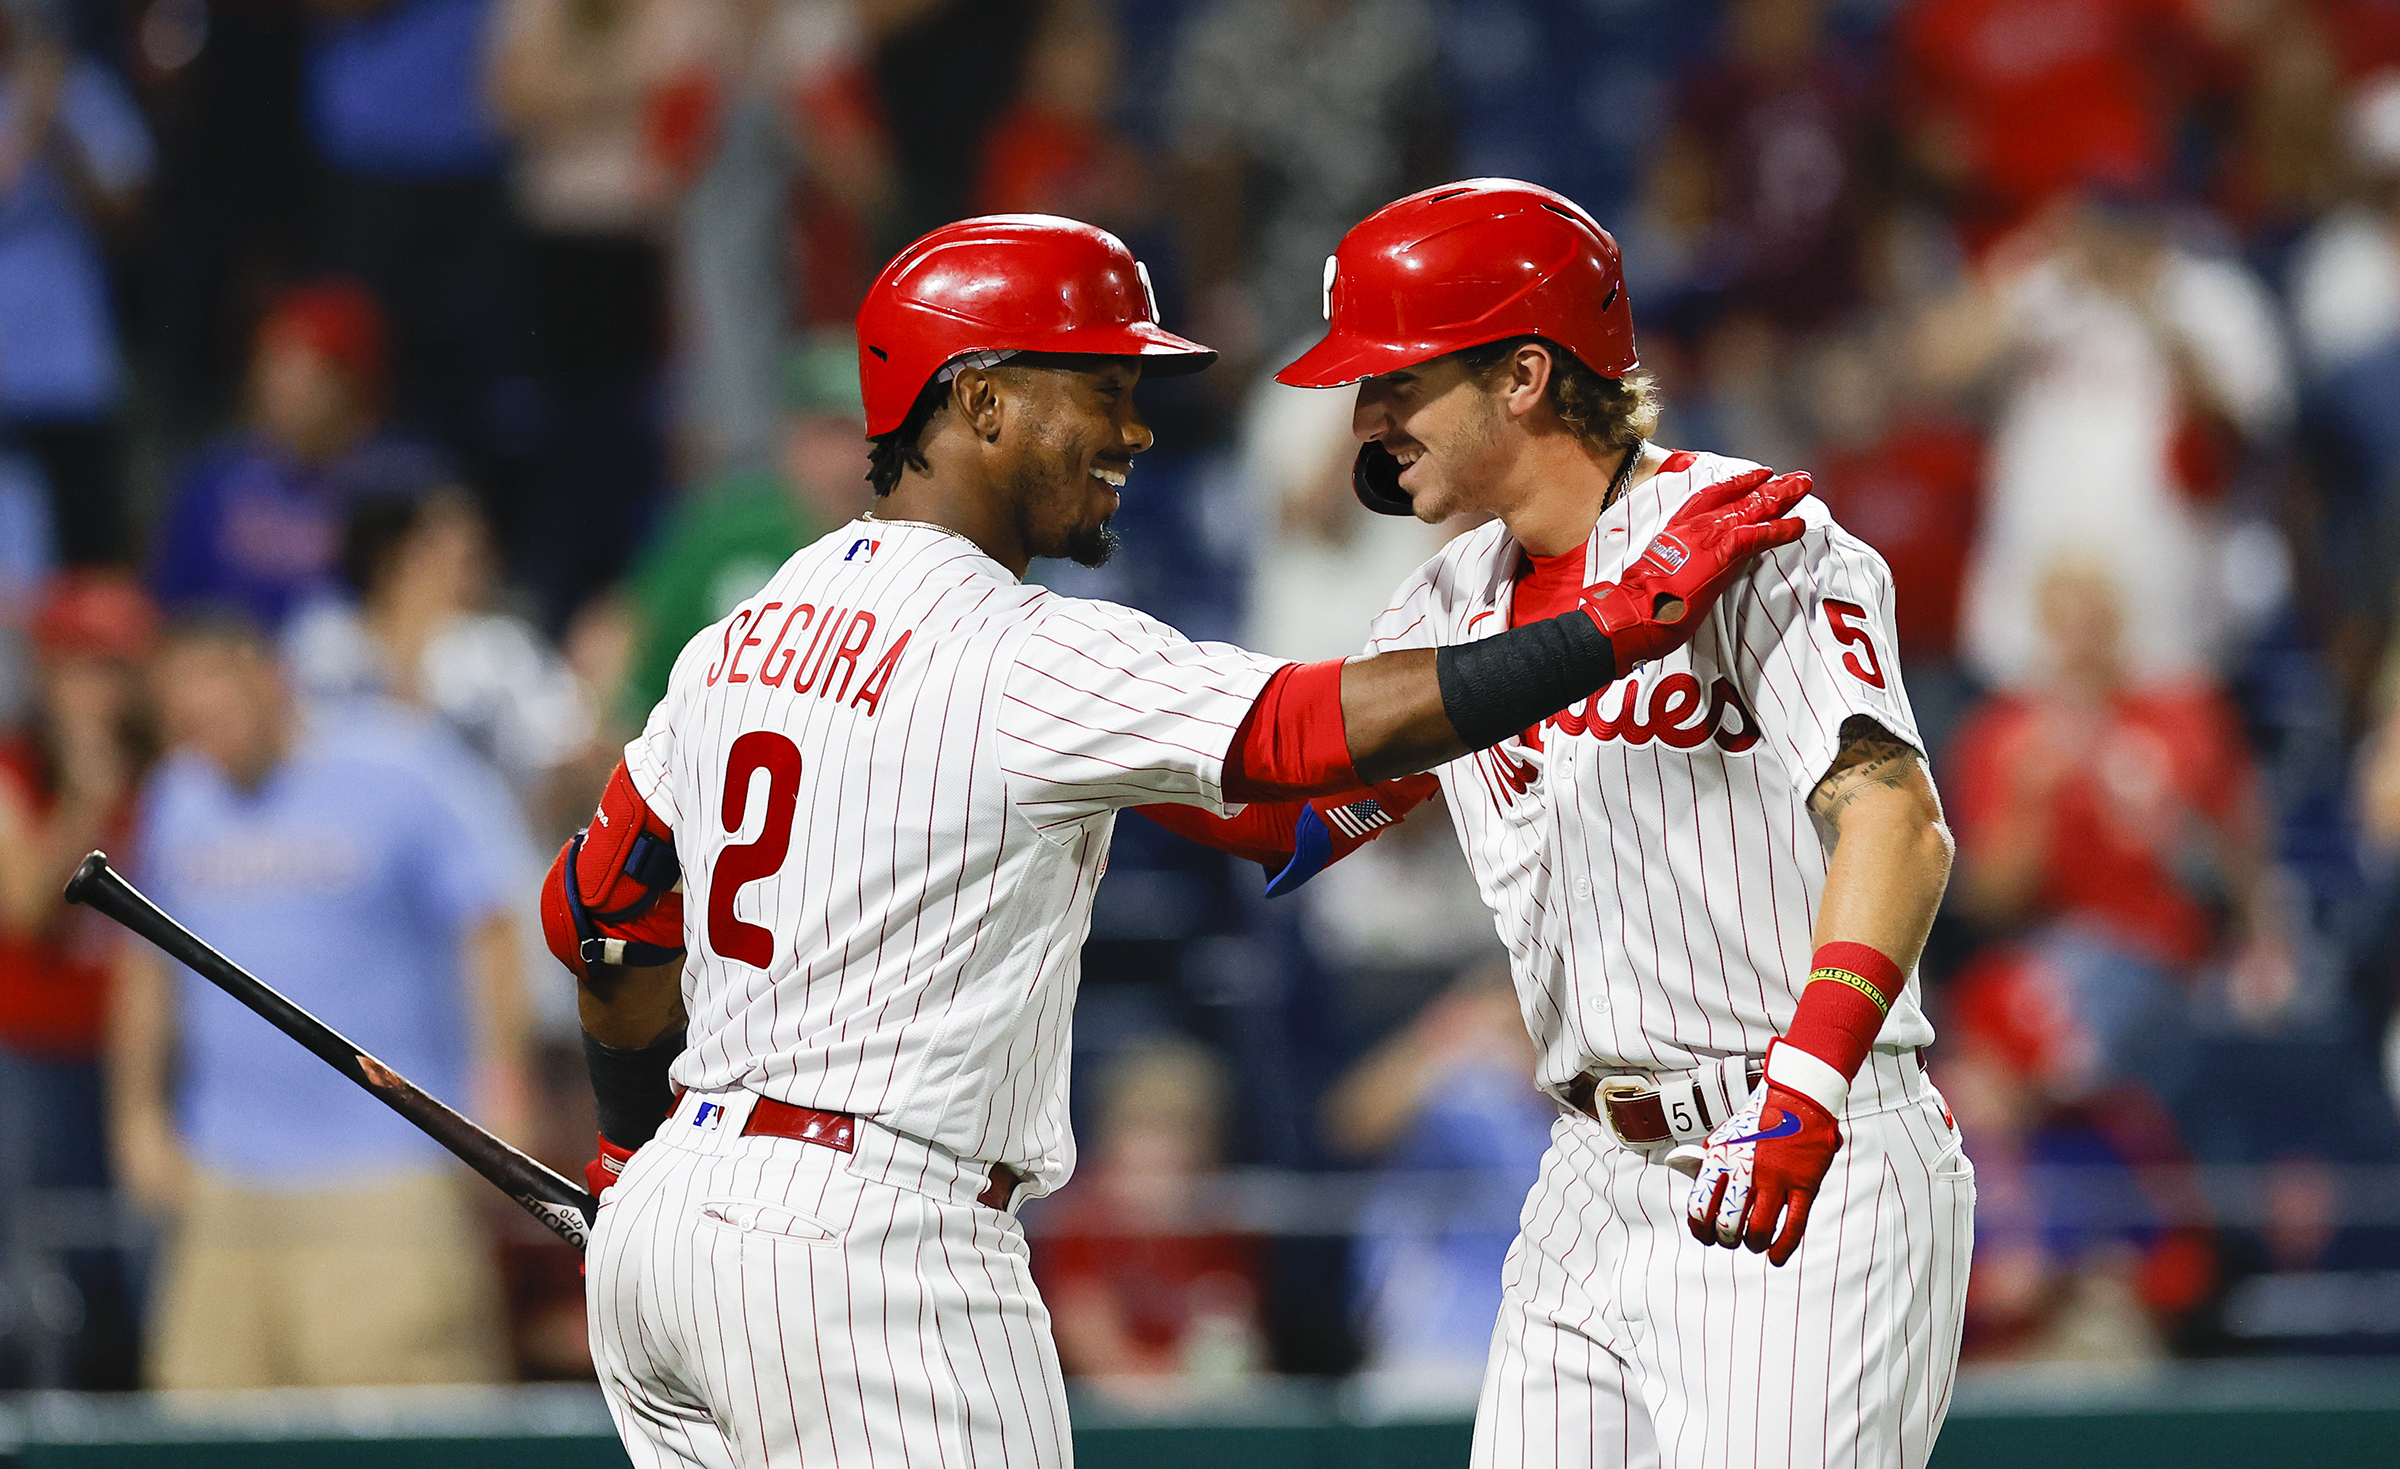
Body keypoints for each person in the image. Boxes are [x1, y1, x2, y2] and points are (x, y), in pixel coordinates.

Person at [546, 212, 1809, 1466]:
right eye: (1100, 385)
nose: (1136, 427)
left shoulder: (746, 631)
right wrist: (1611, 626)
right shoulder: (1023, 649)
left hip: (674, 1240)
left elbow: (600, 909)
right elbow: (1317, 731)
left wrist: (622, 1145)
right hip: (869, 1253)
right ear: (978, 400)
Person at [1259, 179, 1974, 1467]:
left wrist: (1805, 1081)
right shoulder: (1445, 604)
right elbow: (1291, 832)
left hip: (1806, 1135)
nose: (1365, 420)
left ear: (1524, 374)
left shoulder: (1751, 533)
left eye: (1396, 381)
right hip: (1590, 1167)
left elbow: (1898, 822)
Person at [106, 614, 534, 1389]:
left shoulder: (397, 768)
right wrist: (138, 1116)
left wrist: (499, 1085)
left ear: (267, 680)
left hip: (385, 1174)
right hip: (225, 1179)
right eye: (182, 723)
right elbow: (148, 967)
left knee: (401, 1420)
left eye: (213, 714)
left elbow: (489, 922)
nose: (201, 740)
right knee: (207, 1422)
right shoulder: (179, 797)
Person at [149, 280, 452, 632]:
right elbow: (169, 607)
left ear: (353, 384)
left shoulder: (406, 487)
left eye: (303, 371)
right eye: (273, 367)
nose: (281, 387)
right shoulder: (215, 481)